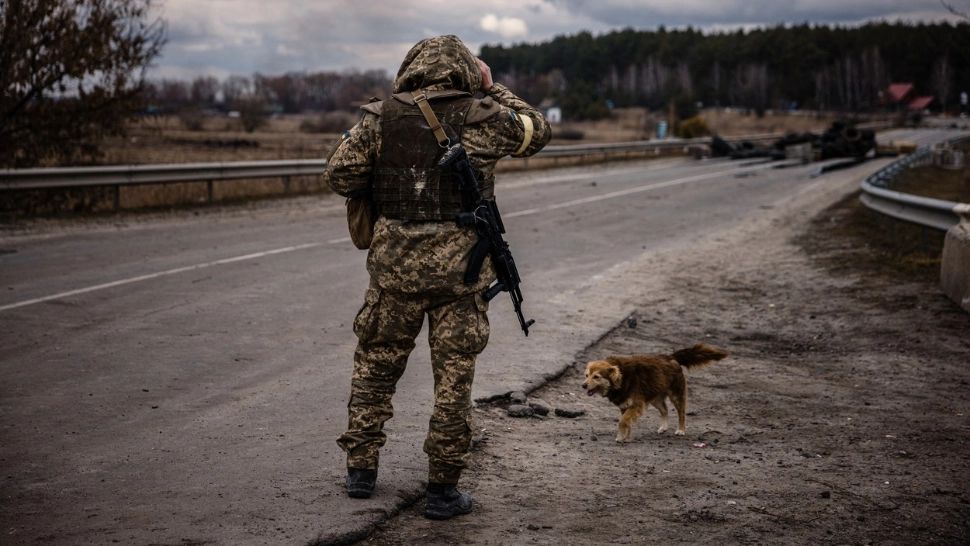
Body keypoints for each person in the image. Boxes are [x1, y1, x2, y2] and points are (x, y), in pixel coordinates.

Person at [325, 35, 550, 519]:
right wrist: (495, 88)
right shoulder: (484, 116)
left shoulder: (378, 118)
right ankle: (442, 491)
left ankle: (360, 471)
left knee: (375, 368)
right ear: (468, 72)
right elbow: (538, 130)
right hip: (460, 276)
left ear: (411, 67)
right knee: (453, 381)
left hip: (393, 272)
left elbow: (339, 176)